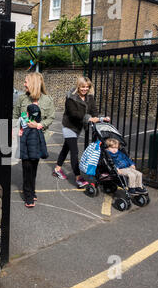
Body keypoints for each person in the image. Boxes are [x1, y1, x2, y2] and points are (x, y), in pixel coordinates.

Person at [52, 76, 109, 188]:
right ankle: (78, 177)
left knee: (66, 148)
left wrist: (98, 118)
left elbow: (94, 110)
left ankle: (57, 169)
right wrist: (89, 119)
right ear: (78, 86)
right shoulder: (71, 98)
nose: (85, 89)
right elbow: (74, 114)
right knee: (74, 151)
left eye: (87, 87)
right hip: (69, 126)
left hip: (78, 128)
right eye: (83, 87)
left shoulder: (89, 98)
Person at [13, 72, 55, 208]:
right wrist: (17, 129)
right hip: (24, 137)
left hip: (39, 138)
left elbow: (50, 117)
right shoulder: (21, 99)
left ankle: (31, 189)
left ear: (34, 83)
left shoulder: (47, 99)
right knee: (26, 166)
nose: (24, 84)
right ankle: (28, 195)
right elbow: (14, 116)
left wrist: (39, 125)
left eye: (26, 82)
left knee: (34, 165)